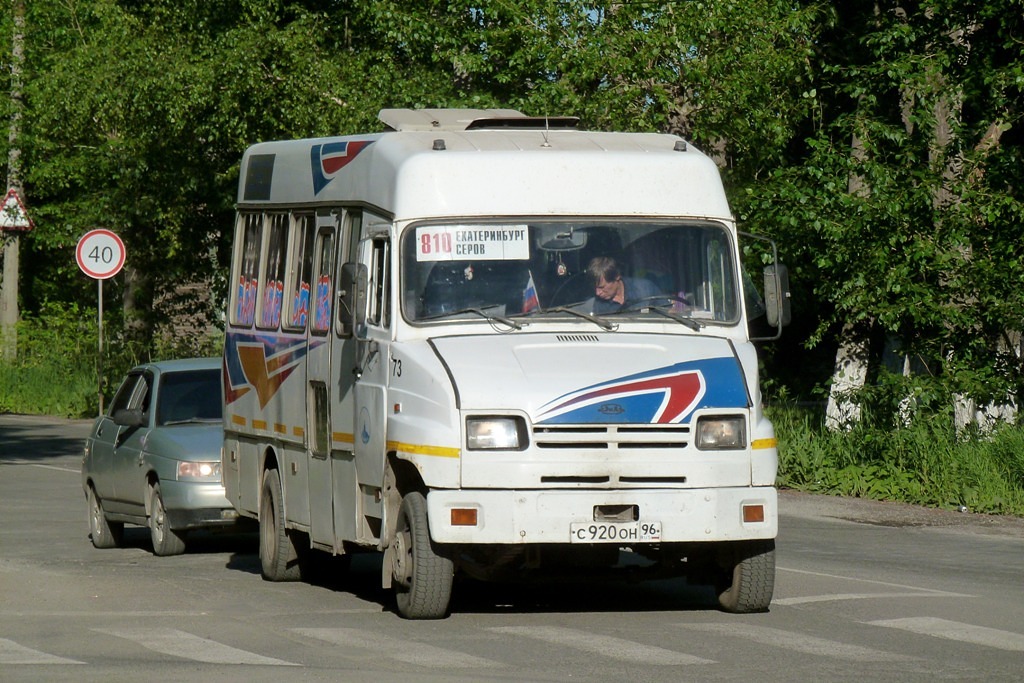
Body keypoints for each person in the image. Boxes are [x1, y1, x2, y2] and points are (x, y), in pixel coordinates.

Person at [587, 256, 660, 314]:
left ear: (617, 277)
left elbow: (667, 311)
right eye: (595, 288)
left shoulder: (645, 289)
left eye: (602, 287)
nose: (597, 293)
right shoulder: (597, 305)